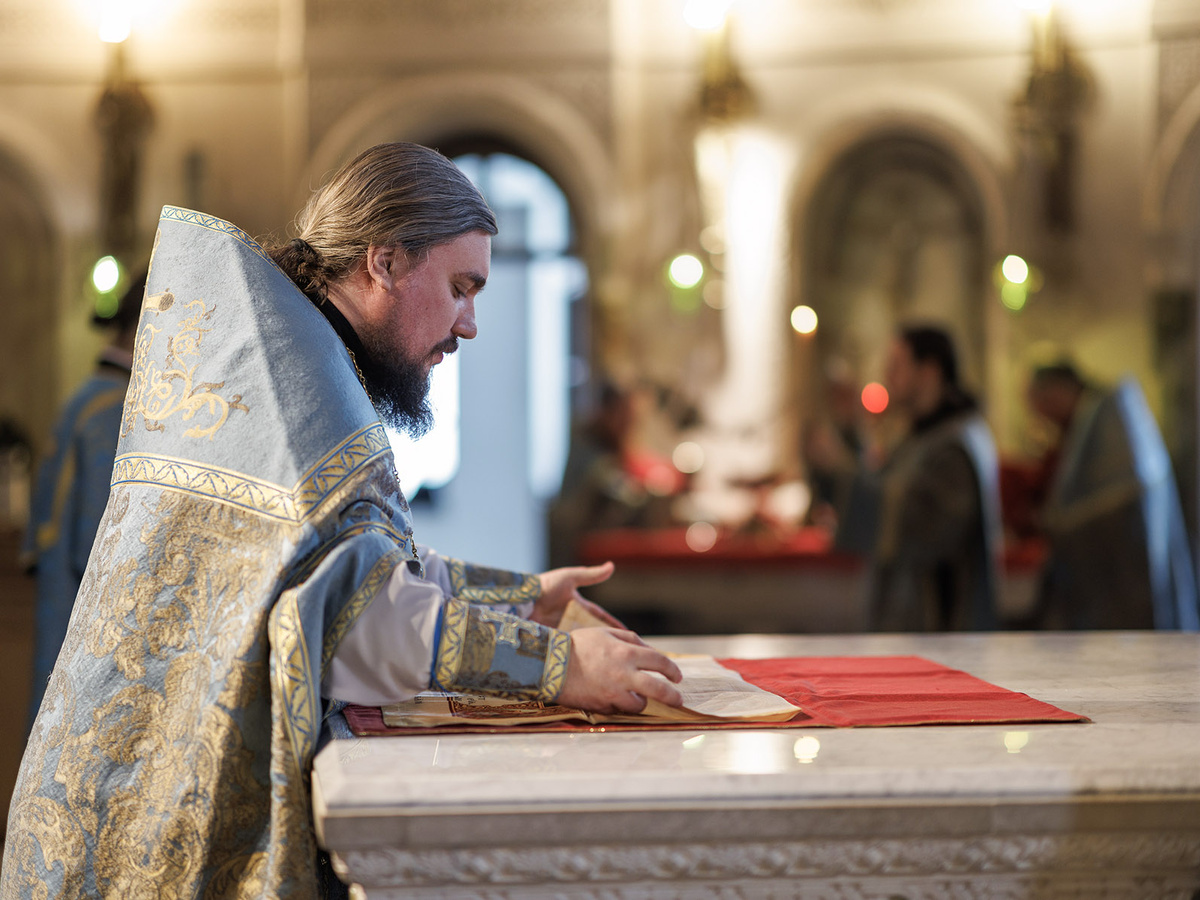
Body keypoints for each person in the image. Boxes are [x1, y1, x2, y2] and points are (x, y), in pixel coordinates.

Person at [2, 143, 683, 899]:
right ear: (385, 261)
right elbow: (355, 624)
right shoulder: (297, 394)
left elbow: (351, 569)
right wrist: (562, 668)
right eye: (460, 287)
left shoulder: (297, 361)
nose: (470, 325)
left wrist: (522, 600)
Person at [19, 270, 145, 730]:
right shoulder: (113, 407)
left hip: (61, 594)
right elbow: (102, 542)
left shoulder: (89, 396)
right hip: (82, 606)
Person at [848, 325, 1002, 631]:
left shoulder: (955, 444)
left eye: (896, 365)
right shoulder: (922, 436)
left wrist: (841, 475)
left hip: (941, 629)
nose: (887, 375)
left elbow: (925, 528)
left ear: (929, 371)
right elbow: (883, 483)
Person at [1025, 362, 1198, 630]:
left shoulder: (1106, 418)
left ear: (1058, 391)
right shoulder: (1095, 420)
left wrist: (1056, 521)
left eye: (1042, 402)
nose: (1042, 416)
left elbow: (1106, 501)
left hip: (1126, 557)